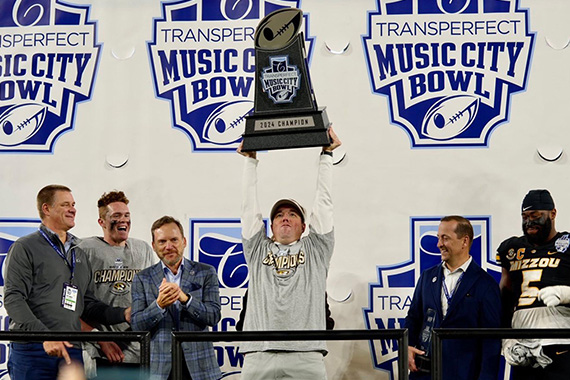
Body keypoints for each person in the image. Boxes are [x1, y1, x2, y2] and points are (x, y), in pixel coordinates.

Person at [236, 127, 341, 380]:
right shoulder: (257, 248)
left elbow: (323, 204)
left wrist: (326, 155)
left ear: (304, 226)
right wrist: (250, 161)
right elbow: (248, 207)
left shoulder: (316, 249)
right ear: (269, 226)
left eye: (292, 214)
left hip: (306, 353)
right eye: (279, 215)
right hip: (258, 352)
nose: (285, 218)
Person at [4, 184, 131, 380]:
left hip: (72, 349)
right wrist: (44, 336)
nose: (73, 209)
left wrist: (123, 314)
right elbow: (13, 299)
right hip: (33, 349)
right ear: (46, 209)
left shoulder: (78, 252)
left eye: (73, 204)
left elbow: (87, 305)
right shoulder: (25, 247)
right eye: (65, 204)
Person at [405, 215, 501, 380]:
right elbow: (413, 317)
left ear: (464, 241)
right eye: (438, 238)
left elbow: (491, 341)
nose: (439, 244)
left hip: (463, 374)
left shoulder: (486, 284)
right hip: (423, 374)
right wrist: (407, 346)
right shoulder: (427, 277)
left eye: (445, 238)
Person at [131, 216, 221, 380]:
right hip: (160, 370)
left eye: (174, 240)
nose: (168, 246)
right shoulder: (142, 278)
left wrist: (185, 299)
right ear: (153, 246)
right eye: (162, 241)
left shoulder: (206, 272)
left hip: (200, 368)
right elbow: (137, 324)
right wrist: (158, 306)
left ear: (184, 241)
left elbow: (214, 316)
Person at [78, 191, 155, 378]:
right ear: (101, 222)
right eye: (116, 216)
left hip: (141, 350)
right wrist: (100, 339)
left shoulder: (142, 248)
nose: (124, 220)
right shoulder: (84, 249)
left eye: (127, 215)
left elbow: (152, 295)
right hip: (103, 352)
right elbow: (73, 306)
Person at [497, 189, 570, 379]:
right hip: (522, 345)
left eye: (536, 216)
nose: (529, 222)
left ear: (553, 213)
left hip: (560, 343)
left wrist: (565, 293)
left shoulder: (567, 244)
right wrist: (506, 336)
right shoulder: (512, 248)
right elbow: (504, 295)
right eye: (525, 216)